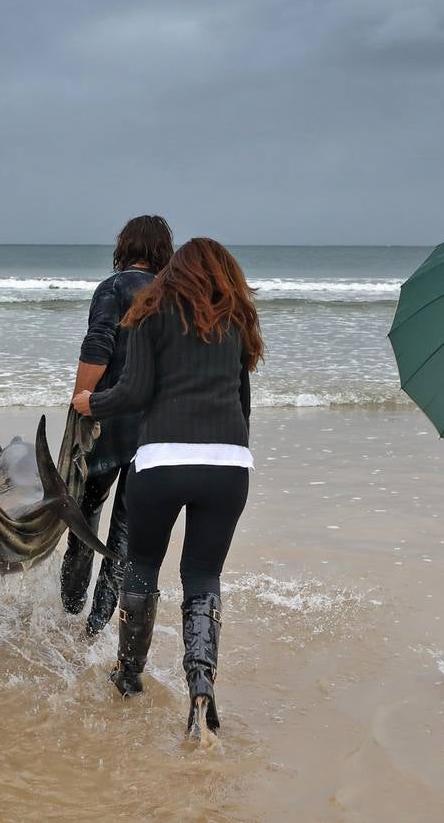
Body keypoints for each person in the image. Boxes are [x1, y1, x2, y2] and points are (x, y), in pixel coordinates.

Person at [72, 237, 262, 742]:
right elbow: (244, 405)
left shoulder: (149, 315)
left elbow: (134, 392)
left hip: (162, 461)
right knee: (202, 576)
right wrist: (229, 451)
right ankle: (200, 685)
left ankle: (129, 675)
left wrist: (92, 403)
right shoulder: (237, 322)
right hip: (228, 464)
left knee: (143, 566)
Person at [61, 215, 174, 636]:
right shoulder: (172, 294)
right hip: (154, 430)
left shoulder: (113, 288)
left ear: (125, 247)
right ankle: (97, 626)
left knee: (84, 520)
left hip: (108, 423)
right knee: (125, 533)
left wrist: (79, 405)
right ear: (163, 252)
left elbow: (98, 345)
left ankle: (70, 611)